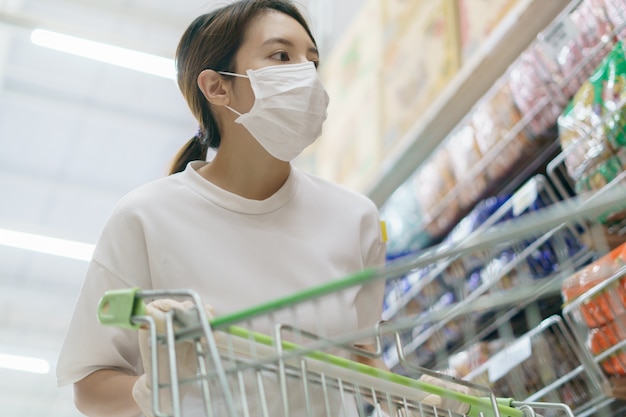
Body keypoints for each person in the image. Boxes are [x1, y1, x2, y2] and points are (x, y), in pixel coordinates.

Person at [56, 1, 391, 416]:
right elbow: (89, 388)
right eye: (281, 56)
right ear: (217, 87)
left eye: (313, 60)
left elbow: (361, 355)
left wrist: (411, 399)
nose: (306, 75)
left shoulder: (355, 219)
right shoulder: (146, 217)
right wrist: (152, 388)